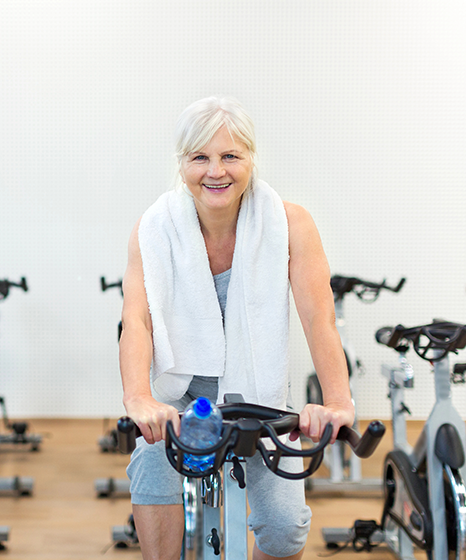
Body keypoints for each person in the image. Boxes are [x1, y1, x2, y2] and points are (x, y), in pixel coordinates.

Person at [120, 96, 355, 560]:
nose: (216, 171)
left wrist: (338, 402)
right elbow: (137, 319)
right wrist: (138, 398)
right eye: (200, 157)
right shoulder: (153, 228)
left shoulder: (290, 224)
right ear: (182, 163)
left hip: (260, 399)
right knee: (150, 466)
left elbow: (317, 317)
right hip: (184, 398)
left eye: (230, 156)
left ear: (250, 159)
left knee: (286, 529)